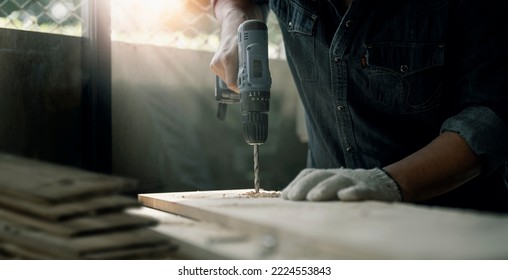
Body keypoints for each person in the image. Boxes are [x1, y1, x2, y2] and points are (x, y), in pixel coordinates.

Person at [210, 0, 508, 212]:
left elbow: (491, 114)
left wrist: (388, 182)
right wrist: (234, 22)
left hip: (451, 221)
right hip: (325, 209)